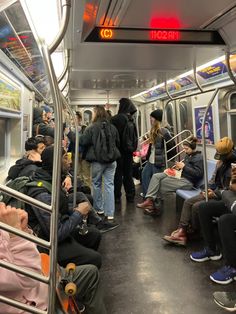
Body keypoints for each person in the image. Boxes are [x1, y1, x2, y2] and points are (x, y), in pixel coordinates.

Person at [0, 202, 107, 314]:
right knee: (93, 257)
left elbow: (27, 251)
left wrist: (23, 230)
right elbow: (28, 277)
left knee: (91, 272)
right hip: (33, 303)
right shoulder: (39, 193)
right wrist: (16, 232)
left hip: (42, 277)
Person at [27, 145, 102, 268]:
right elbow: (57, 234)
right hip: (50, 243)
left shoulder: (52, 179)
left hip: (60, 228)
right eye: (65, 158)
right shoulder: (42, 194)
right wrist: (78, 213)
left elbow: (61, 209)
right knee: (95, 259)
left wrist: (75, 210)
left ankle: (79, 257)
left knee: (94, 235)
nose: (70, 161)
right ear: (55, 162)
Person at [163, 137, 236, 246]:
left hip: (224, 196)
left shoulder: (233, 167)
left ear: (229, 152)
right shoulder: (220, 163)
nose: (220, 159)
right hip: (215, 191)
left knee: (197, 206)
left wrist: (214, 193)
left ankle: (194, 232)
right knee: (188, 202)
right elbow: (213, 179)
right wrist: (208, 188)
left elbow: (228, 189)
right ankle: (182, 231)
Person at [190, 170, 236, 285]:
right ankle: (212, 250)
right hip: (232, 201)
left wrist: (228, 192)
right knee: (204, 208)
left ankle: (233, 266)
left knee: (225, 220)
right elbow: (229, 189)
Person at [137, 136, 204, 215]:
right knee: (156, 176)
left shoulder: (198, 158)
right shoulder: (189, 155)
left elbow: (198, 174)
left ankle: (154, 207)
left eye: (186, 149)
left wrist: (184, 167)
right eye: (184, 149)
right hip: (180, 176)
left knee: (159, 184)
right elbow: (186, 169)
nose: (185, 151)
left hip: (187, 182)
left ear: (192, 148)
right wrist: (175, 169)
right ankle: (149, 201)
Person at [80, 106, 120, 220]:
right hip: (112, 161)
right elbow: (117, 142)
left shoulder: (91, 127)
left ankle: (99, 209)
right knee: (109, 185)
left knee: (96, 184)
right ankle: (110, 213)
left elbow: (83, 141)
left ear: (96, 114)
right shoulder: (112, 127)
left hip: (98, 161)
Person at [141, 109, 176, 198]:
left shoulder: (164, 131)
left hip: (158, 160)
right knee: (144, 175)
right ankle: (147, 196)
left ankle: (155, 198)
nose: (150, 120)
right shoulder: (153, 130)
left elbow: (171, 145)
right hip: (151, 159)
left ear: (156, 119)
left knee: (155, 180)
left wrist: (166, 158)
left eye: (152, 118)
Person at [111, 98, 138, 203]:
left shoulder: (114, 119)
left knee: (117, 174)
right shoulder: (131, 119)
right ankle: (130, 195)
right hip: (128, 151)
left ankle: (117, 197)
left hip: (117, 152)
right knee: (128, 174)